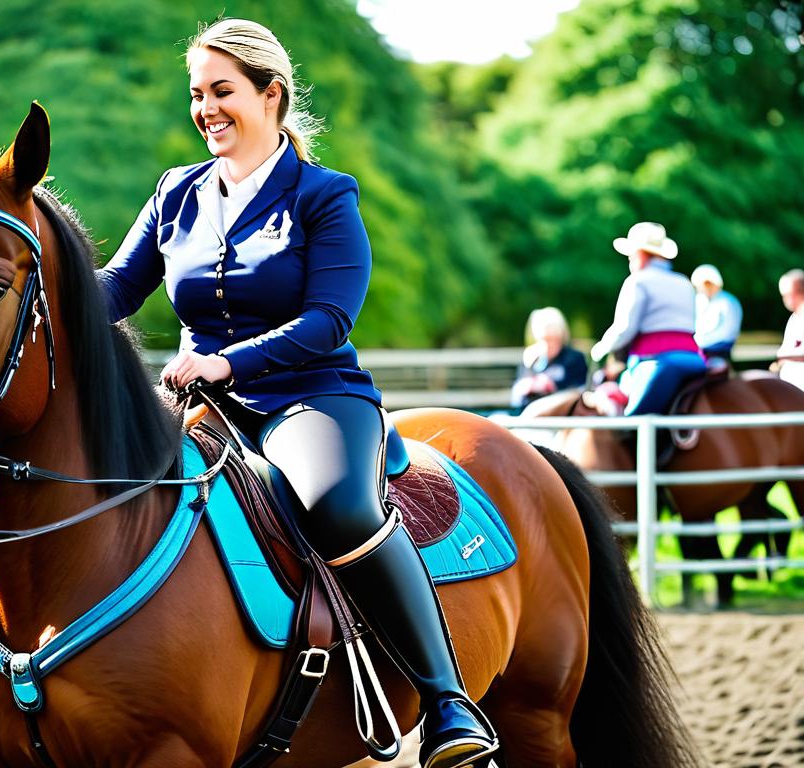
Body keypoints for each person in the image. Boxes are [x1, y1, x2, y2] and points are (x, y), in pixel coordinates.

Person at [96, 18, 497, 767]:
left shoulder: (324, 195)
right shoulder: (175, 192)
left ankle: (447, 702)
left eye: (222, 90)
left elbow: (329, 318)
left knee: (338, 506)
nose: (206, 107)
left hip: (310, 397)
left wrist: (226, 364)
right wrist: (34, 294)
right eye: (196, 94)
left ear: (269, 93)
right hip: (196, 404)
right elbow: (118, 287)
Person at [590, 222, 706, 415]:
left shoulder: (637, 281)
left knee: (630, 422)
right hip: (694, 359)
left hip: (655, 363)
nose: (630, 262)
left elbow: (625, 328)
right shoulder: (684, 282)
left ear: (641, 255)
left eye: (631, 257)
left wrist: (601, 348)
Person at [510, 307, 588, 409]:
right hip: (530, 414)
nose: (549, 345)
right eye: (545, 339)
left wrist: (551, 386)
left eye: (553, 339)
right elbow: (516, 398)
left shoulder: (574, 359)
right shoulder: (532, 358)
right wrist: (528, 385)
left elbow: (579, 392)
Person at [691, 263, 742, 361]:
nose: (706, 287)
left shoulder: (728, 301)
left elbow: (728, 333)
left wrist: (700, 343)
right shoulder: (699, 301)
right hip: (700, 348)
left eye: (708, 283)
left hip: (719, 349)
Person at [775, 269, 804, 390]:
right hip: (793, 389)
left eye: (788, 294)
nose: (785, 299)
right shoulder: (794, 318)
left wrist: (785, 356)